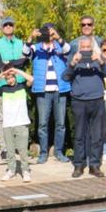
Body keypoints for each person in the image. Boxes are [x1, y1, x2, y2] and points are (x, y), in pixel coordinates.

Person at [67, 37, 106, 178]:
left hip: (96, 101)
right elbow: (65, 77)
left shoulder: (98, 58)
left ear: (92, 48)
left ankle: (95, 165)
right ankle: (79, 165)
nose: (85, 50)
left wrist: (101, 61)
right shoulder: (74, 58)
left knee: (96, 135)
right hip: (79, 101)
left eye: (88, 47)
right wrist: (73, 63)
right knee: (79, 135)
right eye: (83, 47)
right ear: (79, 48)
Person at [31, 25, 71, 164]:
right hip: (42, 91)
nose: (48, 34)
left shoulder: (60, 46)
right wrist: (30, 38)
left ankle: (59, 152)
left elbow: (68, 50)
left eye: (50, 32)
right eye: (45, 32)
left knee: (60, 124)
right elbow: (24, 53)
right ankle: (43, 153)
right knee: (42, 124)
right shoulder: (36, 47)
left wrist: (58, 37)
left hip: (60, 90)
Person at [0, 62, 34, 181]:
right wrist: (0, 75)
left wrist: (16, 70)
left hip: (21, 122)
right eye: (8, 78)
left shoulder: (22, 86)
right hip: (8, 124)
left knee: (22, 150)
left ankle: (25, 170)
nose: (10, 79)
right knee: (10, 150)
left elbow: (31, 79)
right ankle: (11, 170)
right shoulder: (3, 89)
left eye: (12, 77)